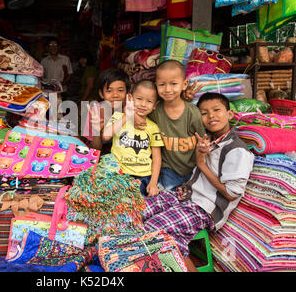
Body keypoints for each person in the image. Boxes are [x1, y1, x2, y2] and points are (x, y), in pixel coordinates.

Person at [142, 92, 255, 271]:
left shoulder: (237, 151)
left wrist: (201, 163)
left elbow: (231, 194)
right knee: (135, 211)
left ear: (230, 114)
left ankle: (178, 256)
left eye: (217, 110)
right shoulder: (207, 139)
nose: (211, 116)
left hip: (204, 207)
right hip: (183, 196)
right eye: (204, 112)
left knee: (153, 229)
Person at [148, 60, 206, 192]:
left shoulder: (193, 113)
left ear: (184, 84)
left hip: (192, 168)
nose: (167, 89)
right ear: (156, 85)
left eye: (173, 84)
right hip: (169, 169)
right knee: (165, 194)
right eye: (162, 84)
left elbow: (202, 140)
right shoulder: (155, 112)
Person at [102, 80, 164, 197]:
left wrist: (153, 182)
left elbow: (157, 158)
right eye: (139, 99)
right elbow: (106, 136)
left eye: (149, 101)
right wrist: (128, 116)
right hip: (118, 174)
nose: (143, 104)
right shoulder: (119, 117)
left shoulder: (153, 127)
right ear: (130, 98)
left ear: (155, 105)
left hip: (143, 176)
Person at [85, 68, 130, 153]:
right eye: (109, 91)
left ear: (127, 92)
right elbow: (95, 150)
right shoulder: (94, 112)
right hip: (101, 152)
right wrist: (97, 132)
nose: (115, 95)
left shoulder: (131, 109)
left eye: (120, 90)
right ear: (101, 94)